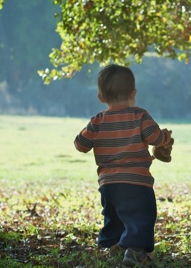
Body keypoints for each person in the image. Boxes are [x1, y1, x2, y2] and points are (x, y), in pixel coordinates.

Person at [74, 64, 173, 267]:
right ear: (133, 93)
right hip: (137, 182)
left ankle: (113, 245)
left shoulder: (97, 121)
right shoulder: (140, 116)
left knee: (113, 215)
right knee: (141, 216)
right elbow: (154, 137)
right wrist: (165, 138)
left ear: (100, 97)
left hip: (108, 184)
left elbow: (80, 145)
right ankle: (135, 252)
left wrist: (90, 131)